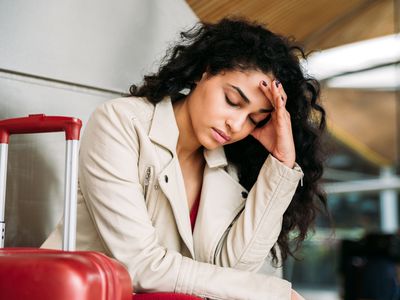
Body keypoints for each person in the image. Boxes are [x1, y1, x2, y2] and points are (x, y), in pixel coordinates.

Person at [42, 17, 327, 300]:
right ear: (203, 72)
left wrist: (281, 165)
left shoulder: (226, 167)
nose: (237, 125)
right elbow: (141, 266)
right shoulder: (120, 123)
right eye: (232, 101)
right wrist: (273, 294)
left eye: (255, 119)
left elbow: (234, 269)